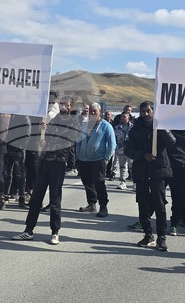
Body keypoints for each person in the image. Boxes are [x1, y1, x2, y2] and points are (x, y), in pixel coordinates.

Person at [13, 95, 79, 245]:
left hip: (59, 162)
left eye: (65, 104)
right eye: (61, 103)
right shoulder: (55, 119)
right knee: (36, 196)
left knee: (55, 198)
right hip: (45, 160)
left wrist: (51, 136)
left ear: (71, 107)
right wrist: (44, 132)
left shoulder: (74, 121)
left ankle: (55, 232)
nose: (63, 106)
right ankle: (28, 230)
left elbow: (68, 140)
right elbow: (48, 137)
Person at [125, 101, 175, 252]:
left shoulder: (161, 126)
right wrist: (142, 155)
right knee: (142, 205)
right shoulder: (135, 129)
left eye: (148, 111)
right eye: (143, 112)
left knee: (159, 205)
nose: (146, 114)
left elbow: (172, 142)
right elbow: (128, 149)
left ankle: (161, 237)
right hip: (141, 171)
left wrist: (161, 128)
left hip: (158, 171)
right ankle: (148, 234)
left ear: (153, 111)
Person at [76, 102, 115, 217]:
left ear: (100, 112)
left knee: (99, 183)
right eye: (91, 111)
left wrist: (106, 158)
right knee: (87, 183)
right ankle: (92, 204)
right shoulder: (84, 124)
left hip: (98, 159)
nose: (92, 113)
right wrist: (78, 155)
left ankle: (103, 206)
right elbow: (78, 140)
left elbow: (112, 144)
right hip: (83, 159)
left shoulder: (106, 125)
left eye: (95, 111)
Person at [167, 129, 185, 235]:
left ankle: (176, 221)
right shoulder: (167, 129)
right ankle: (144, 219)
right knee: (157, 195)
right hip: (168, 165)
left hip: (184, 167)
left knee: (179, 198)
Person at [113, 112, 133, 189]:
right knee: (122, 166)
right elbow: (115, 139)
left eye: (124, 117)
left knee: (132, 166)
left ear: (128, 117)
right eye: (121, 117)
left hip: (130, 150)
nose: (122, 118)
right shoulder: (117, 128)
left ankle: (134, 183)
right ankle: (122, 182)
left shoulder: (133, 128)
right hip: (120, 150)